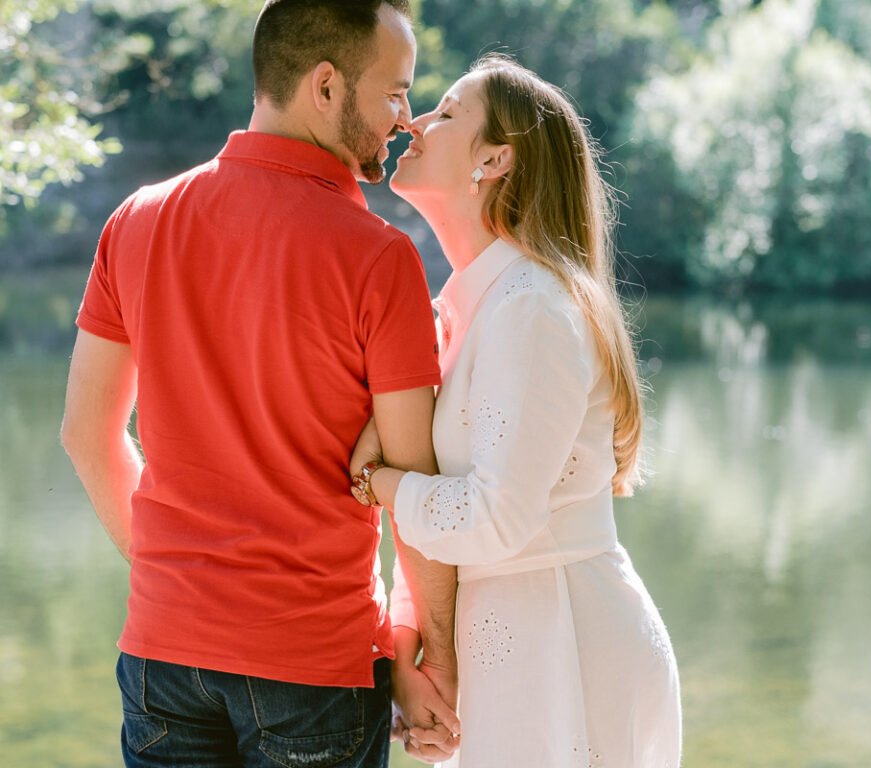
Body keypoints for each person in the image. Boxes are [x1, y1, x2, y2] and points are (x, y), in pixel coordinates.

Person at [60, 1, 460, 766]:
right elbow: (414, 486)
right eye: (395, 92)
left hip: (161, 656)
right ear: (324, 85)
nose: (405, 119)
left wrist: (172, 579)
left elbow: (86, 435)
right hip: (313, 666)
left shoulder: (135, 221)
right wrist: (430, 656)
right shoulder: (379, 259)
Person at [350, 54, 683, 767]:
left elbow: (494, 517)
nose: (414, 120)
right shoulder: (466, 306)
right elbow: (450, 515)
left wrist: (374, 483)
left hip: (564, 641)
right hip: (513, 639)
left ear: (495, 158)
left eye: (444, 111)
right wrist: (414, 650)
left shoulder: (532, 308)